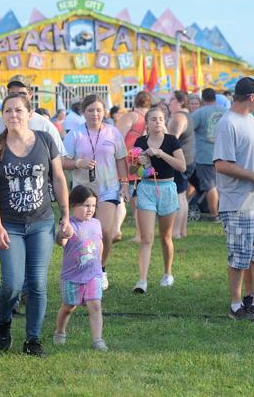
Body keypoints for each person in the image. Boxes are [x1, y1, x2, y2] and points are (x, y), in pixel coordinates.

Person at [0, 92, 70, 357]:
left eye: (19, 110)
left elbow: (58, 178)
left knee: (37, 284)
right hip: (10, 224)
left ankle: (32, 340)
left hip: (41, 223)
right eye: (8, 111)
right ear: (3, 115)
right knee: (11, 283)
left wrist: (65, 214)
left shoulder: (45, 140)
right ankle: (4, 320)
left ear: (30, 114)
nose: (13, 115)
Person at [0, 76, 65, 281]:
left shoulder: (45, 127)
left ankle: (25, 292)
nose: (15, 104)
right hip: (7, 207)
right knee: (13, 266)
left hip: (39, 204)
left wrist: (62, 209)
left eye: (22, 94)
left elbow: (58, 167)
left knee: (35, 271)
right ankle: (13, 293)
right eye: (11, 95)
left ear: (30, 98)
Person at [213, 77, 254, 320]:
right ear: (253, 97)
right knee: (240, 256)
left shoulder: (250, 120)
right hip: (238, 203)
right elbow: (221, 165)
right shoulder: (228, 123)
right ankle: (236, 304)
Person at [62, 94, 129, 291]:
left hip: (108, 189)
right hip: (83, 192)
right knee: (82, 236)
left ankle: (101, 268)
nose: (95, 114)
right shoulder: (75, 134)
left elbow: (121, 160)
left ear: (104, 111)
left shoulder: (113, 133)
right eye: (90, 110)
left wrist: (124, 184)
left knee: (106, 231)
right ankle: (81, 271)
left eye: (98, 110)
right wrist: (78, 163)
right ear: (83, 112)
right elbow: (62, 162)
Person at [132, 107, 186, 293]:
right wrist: (139, 161)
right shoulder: (140, 141)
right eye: (154, 119)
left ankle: (167, 273)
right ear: (147, 122)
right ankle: (142, 281)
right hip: (146, 188)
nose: (158, 122)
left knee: (165, 236)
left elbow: (182, 166)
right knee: (146, 238)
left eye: (161, 119)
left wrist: (161, 154)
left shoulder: (171, 140)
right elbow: (133, 171)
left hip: (167, 189)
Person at [53, 185, 108, 352]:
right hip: (72, 276)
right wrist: (64, 234)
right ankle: (60, 331)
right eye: (85, 205)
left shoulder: (96, 224)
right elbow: (60, 242)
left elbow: (100, 244)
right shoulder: (69, 224)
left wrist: (100, 268)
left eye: (93, 205)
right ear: (73, 205)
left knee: (95, 305)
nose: (90, 209)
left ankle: (97, 340)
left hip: (93, 275)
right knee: (69, 306)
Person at [117, 90, 153, 241]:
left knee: (120, 198)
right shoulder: (152, 117)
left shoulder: (131, 116)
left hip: (128, 163)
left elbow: (117, 138)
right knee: (138, 202)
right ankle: (140, 235)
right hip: (145, 162)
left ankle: (115, 229)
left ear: (135, 101)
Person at [190, 88, 225, 220]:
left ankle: (214, 214)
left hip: (205, 156)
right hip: (224, 155)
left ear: (202, 99)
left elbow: (188, 129)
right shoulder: (225, 112)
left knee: (210, 186)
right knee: (223, 186)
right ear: (215, 98)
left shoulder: (199, 113)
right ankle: (224, 212)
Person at [168, 90, 195, 240]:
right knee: (182, 196)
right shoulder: (188, 115)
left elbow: (173, 140)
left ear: (179, 101)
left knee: (178, 196)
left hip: (180, 160)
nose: (169, 103)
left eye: (171, 99)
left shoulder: (179, 117)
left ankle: (176, 232)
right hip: (188, 159)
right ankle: (182, 231)